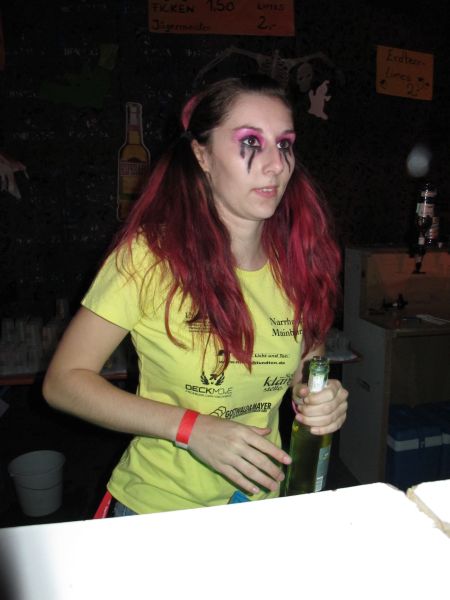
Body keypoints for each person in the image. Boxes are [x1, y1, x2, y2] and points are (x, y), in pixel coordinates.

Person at [43, 74, 348, 516]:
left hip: (257, 508)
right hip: (157, 510)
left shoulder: (299, 261)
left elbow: (306, 367)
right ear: (201, 155)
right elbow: (63, 382)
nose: (276, 165)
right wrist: (192, 428)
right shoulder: (150, 257)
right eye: (250, 142)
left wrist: (319, 398)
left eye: (284, 144)